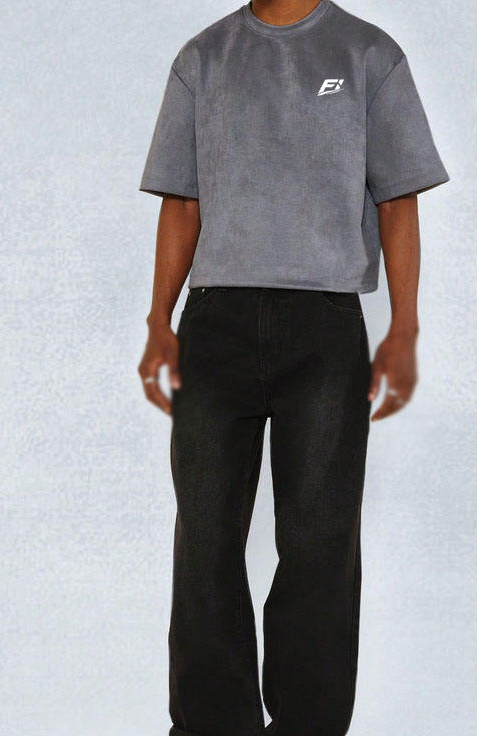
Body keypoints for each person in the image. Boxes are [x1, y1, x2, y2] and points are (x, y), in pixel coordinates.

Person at [137, 0, 449, 733]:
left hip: (324, 326)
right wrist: (158, 320)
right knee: (206, 540)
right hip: (214, 323)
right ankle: (210, 724)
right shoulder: (203, 57)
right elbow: (182, 202)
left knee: (319, 543)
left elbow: (398, 201)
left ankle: (309, 724)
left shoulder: (367, 54)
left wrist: (404, 327)